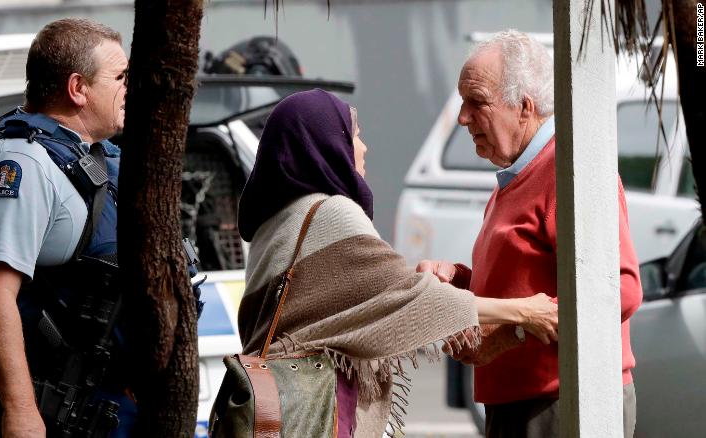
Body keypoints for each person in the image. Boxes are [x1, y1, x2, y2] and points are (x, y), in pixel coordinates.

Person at [234, 89, 559, 437]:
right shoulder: (331, 214)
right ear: (325, 143)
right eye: (354, 134)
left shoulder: (275, 223)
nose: (363, 147)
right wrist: (524, 311)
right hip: (316, 407)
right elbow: (406, 298)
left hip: (277, 403)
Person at [417, 30, 643, 438]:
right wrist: (461, 278)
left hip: (559, 402)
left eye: (477, 102)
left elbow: (621, 290)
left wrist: (513, 332)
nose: (463, 117)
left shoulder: (568, 170)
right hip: (520, 404)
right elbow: (526, 278)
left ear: (524, 107)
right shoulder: (519, 173)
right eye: (463, 102)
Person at [0, 18, 131, 437]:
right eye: (120, 77)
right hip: (53, 412)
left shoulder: (90, 155)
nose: (128, 87)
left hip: (104, 407)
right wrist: (21, 412)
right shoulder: (21, 164)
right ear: (78, 88)